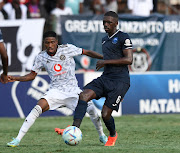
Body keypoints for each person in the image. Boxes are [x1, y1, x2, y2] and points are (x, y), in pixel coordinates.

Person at [6, 31, 107, 147]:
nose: (50, 45)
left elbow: (87, 52)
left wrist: (104, 58)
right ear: (44, 43)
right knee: (37, 108)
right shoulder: (41, 57)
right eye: (47, 43)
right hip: (55, 91)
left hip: (73, 90)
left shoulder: (67, 49)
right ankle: (17, 139)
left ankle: (101, 135)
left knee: (92, 110)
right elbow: (32, 75)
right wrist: (15, 78)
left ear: (56, 42)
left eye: (52, 42)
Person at [67, 11, 133, 146]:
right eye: (104, 22)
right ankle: (74, 129)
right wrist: (104, 61)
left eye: (109, 22)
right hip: (106, 78)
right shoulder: (104, 39)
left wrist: (106, 62)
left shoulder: (123, 37)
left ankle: (113, 135)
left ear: (116, 23)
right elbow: (108, 58)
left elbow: (129, 60)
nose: (106, 25)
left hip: (120, 81)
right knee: (84, 95)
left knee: (105, 114)